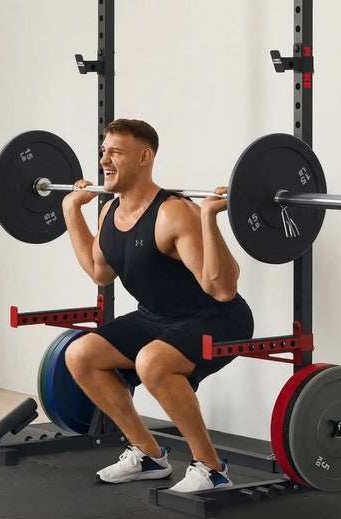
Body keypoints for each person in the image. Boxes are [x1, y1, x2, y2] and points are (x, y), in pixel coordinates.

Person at [62, 119, 253, 492]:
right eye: (104, 151)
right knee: (80, 354)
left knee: (153, 361)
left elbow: (223, 289)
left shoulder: (173, 212)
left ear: (145, 157)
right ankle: (148, 454)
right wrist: (72, 211)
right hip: (157, 319)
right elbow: (100, 272)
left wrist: (209, 217)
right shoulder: (109, 212)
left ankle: (211, 469)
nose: (105, 160)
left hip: (217, 318)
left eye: (116, 152)